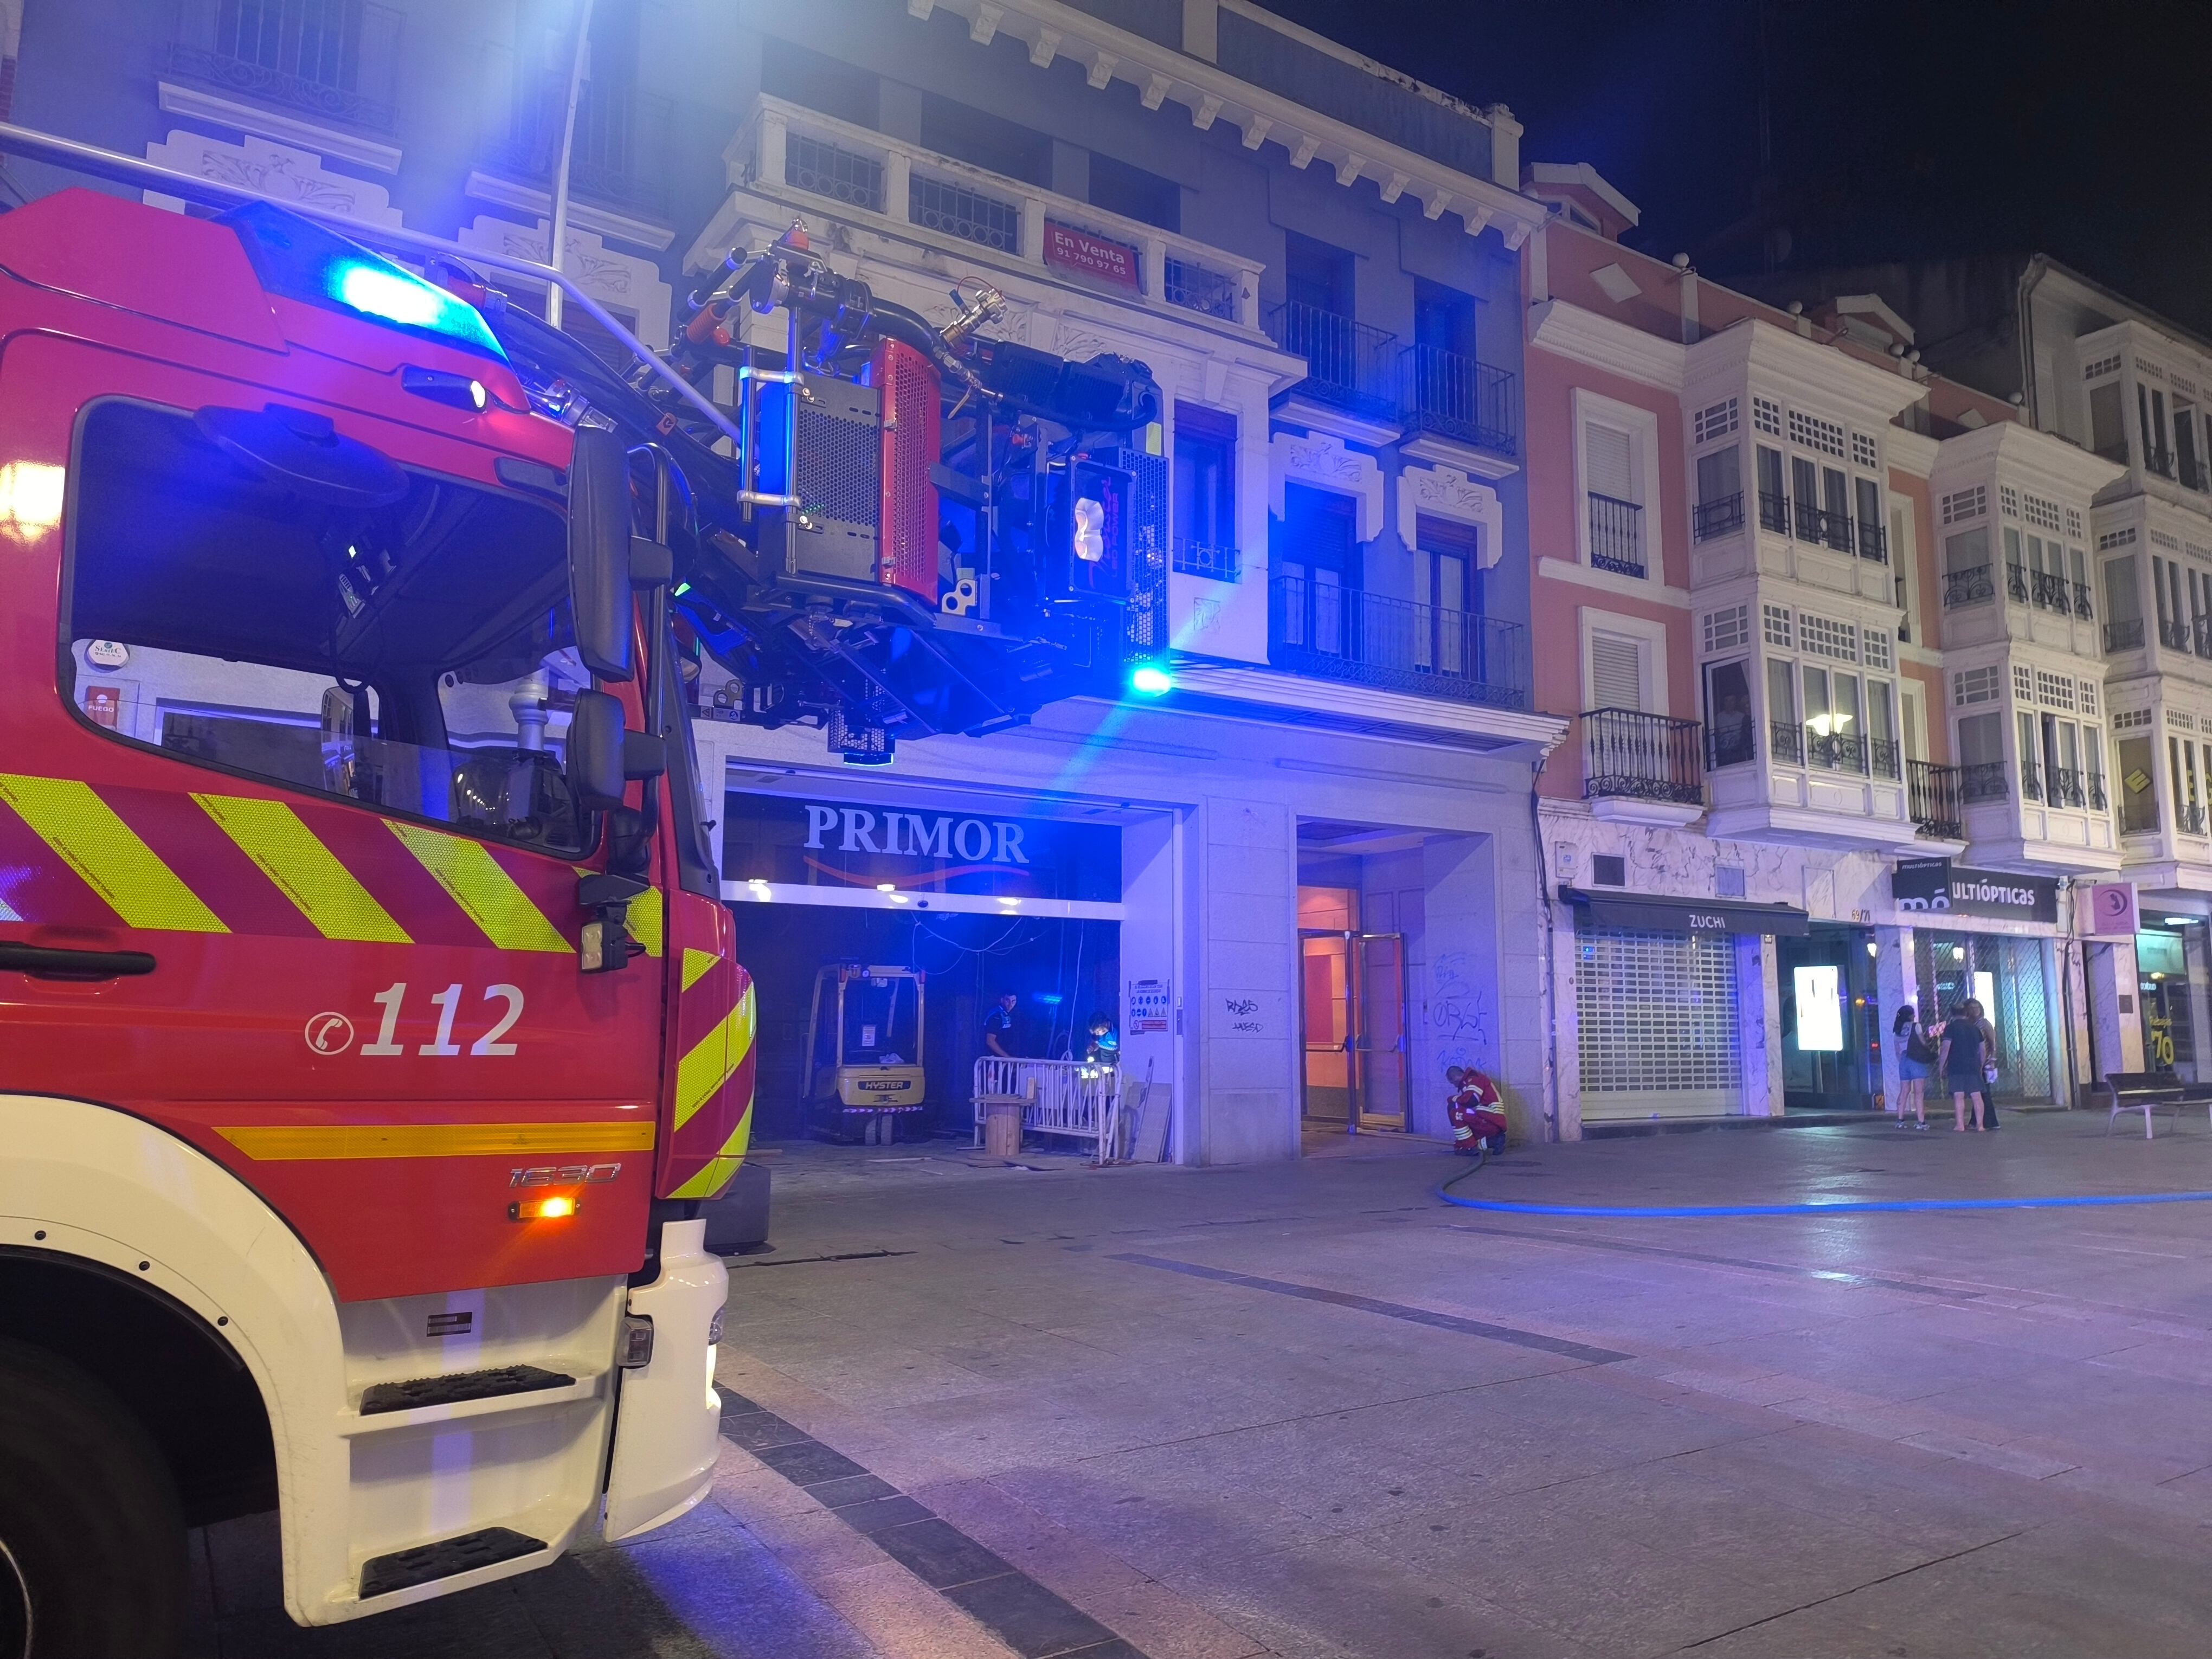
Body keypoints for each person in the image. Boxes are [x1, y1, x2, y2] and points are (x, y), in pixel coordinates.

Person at [1938, 1000, 1990, 1132]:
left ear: (1952, 1015)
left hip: (1956, 1067)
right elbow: (1983, 1050)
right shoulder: (1975, 1029)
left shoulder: (1950, 1028)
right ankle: (1980, 1126)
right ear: (1966, 1014)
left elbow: (1945, 1049)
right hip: (1973, 1066)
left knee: (1959, 1095)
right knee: (1976, 1096)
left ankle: (1960, 1125)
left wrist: (1941, 1066)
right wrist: (1981, 1065)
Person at [1893, 1005, 1934, 1129]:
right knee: (1918, 1092)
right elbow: (1923, 1042)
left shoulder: (1897, 1030)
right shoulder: (1916, 1026)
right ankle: (1921, 1122)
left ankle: (1900, 1121)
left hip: (1903, 1061)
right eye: (1913, 1014)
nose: (1915, 1016)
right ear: (1910, 1015)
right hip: (1916, 1060)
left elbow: (1897, 1051)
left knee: (1904, 1091)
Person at [983, 991, 1020, 1060]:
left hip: (1004, 1058)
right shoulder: (996, 1016)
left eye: (1013, 1001)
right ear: (1002, 1000)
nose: (1010, 1004)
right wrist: (1008, 1058)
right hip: (995, 1059)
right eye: (1008, 1000)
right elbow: (990, 1041)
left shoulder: (1010, 1014)